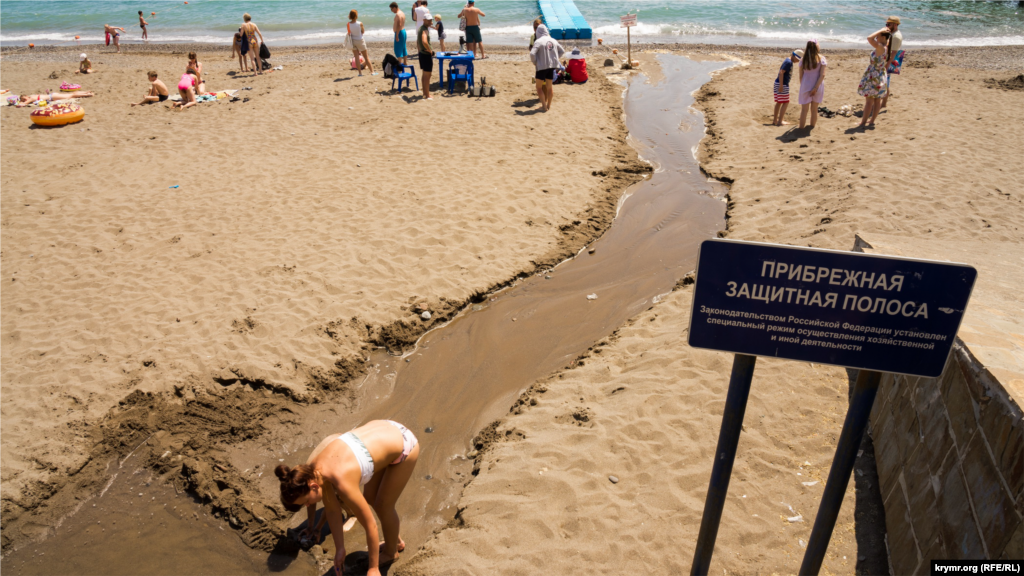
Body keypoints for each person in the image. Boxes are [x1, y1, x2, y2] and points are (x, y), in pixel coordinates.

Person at [276, 421, 419, 576]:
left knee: (383, 505)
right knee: (370, 497)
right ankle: (395, 541)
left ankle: (391, 552)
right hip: (383, 432)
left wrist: (373, 568)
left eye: (306, 501)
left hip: (404, 444)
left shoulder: (341, 481)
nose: (308, 505)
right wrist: (340, 549)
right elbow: (332, 511)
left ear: (313, 487)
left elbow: (370, 525)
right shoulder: (315, 471)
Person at [857, 29, 891, 128]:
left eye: (878, 37)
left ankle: (863, 122)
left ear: (883, 37)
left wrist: (881, 30)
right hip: (880, 74)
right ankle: (871, 121)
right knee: (877, 100)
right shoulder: (886, 46)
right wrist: (884, 32)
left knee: (869, 101)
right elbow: (886, 39)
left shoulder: (881, 47)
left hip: (874, 75)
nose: (876, 38)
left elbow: (869, 38)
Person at [530, 24, 564, 112]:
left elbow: (532, 53)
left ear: (538, 32)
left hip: (541, 66)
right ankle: (549, 105)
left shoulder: (538, 41)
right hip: (551, 66)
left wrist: (535, 62)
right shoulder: (553, 40)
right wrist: (555, 59)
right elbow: (562, 51)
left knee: (538, 87)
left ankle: (544, 106)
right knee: (549, 87)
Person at [797, 39, 826, 129]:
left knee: (804, 110)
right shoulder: (821, 58)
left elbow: (801, 75)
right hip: (817, 86)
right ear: (817, 47)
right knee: (814, 109)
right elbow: (822, 75)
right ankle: (811, 127)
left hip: (805, 85)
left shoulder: (803, 60)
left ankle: (801, 128)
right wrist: (815, 88)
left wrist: (802, 86)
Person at [772, 49, 802, 126]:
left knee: (779, 102)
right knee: (786, 102)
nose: (798, 61)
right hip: (782, 84)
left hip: (778, 83)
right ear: (794, 56)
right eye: (797, 59)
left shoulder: (788, 61)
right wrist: (781, 85)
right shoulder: (788, 62)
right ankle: (780, 121)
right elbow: (781, 72)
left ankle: (775, 120)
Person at [881, 16, 903, 110]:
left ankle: (883, 104)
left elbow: (894, 53)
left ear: (895, 25)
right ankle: (883, 103)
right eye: (886, 24)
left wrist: (887, 65)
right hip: (888, 60)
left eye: (889, 24)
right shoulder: (893, 34)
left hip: (890, 61)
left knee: (886, 83)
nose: (887, 26)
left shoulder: (896, 36)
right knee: (885, 82)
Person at [347, 10, 376, 76]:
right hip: (360, 40)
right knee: (366, 57)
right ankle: (372, 72)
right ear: (356, 16)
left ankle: (360, 73)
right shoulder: (360, 23)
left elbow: (349, 33)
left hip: (353, 41)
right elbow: (363, 32)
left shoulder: (348, 24)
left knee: (356, 57)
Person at [417, 13, 435, 100]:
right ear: (424, 20)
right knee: (427, 75)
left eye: (430, 20)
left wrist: (419, 50)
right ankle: (427, 95)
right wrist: (430, 50)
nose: (430, 22)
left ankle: (425, 92)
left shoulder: (421, 28)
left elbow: (418, 41)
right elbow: (424, 41)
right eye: (428, 20)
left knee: (424, 74)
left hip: (421, 53)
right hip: (426, 54)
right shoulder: (424, 29)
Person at [16, 91, 95, 107]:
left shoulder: (32, 98)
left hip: (52, 97)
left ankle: (88, 94)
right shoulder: (33, 95)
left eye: (24, 98)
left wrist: (19, 103)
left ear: (26, 96)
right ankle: (86, 92)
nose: (24, 100)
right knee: (71, 94)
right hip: (52, 95)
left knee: (71, 95)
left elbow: (24, 104)